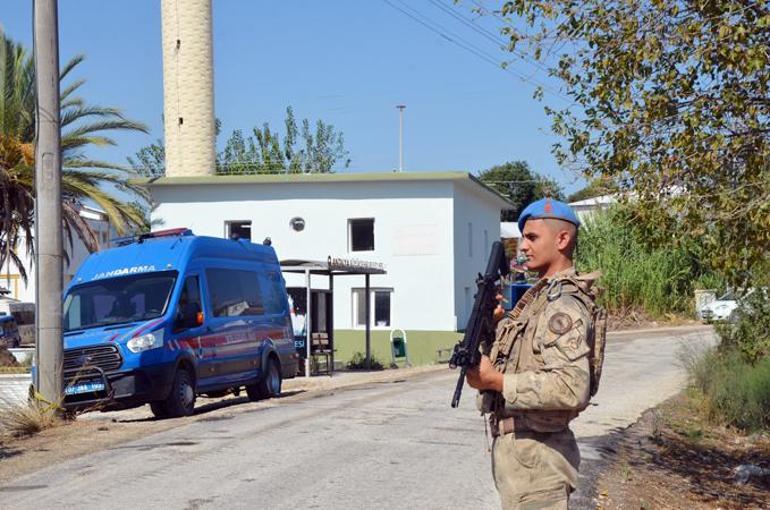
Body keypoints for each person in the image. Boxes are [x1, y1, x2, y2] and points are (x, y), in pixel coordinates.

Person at [466, 197, 603, 509]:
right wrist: (493, 327)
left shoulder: (563, 305)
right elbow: (523, 360)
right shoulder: (539, 299)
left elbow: (570, 388)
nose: (523, 247)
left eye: (532, 238)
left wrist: (496, 381)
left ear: (562, 239)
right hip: (523, 457)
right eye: (521, 238)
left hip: (539, 458)